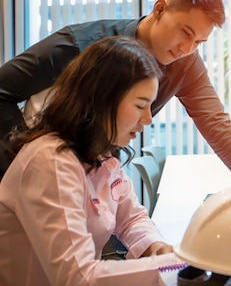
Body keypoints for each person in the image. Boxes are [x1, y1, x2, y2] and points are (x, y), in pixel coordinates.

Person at [0, 0, 231, 184]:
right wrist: (29, 157)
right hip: (29, 176)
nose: (187, 48)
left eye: (199, 42)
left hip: (98, 181)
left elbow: (215, 122)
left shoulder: (185, 63)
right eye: (185, 32)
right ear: (160, 8)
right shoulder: (79, 45)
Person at [0, 36, 183, 285]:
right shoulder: (50, 162)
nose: (148, 119)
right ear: (102, 100)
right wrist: (172, 263)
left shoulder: (100, 153)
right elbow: (78, 277)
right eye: (141, 105)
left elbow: (131, 217)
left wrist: (156, 246)